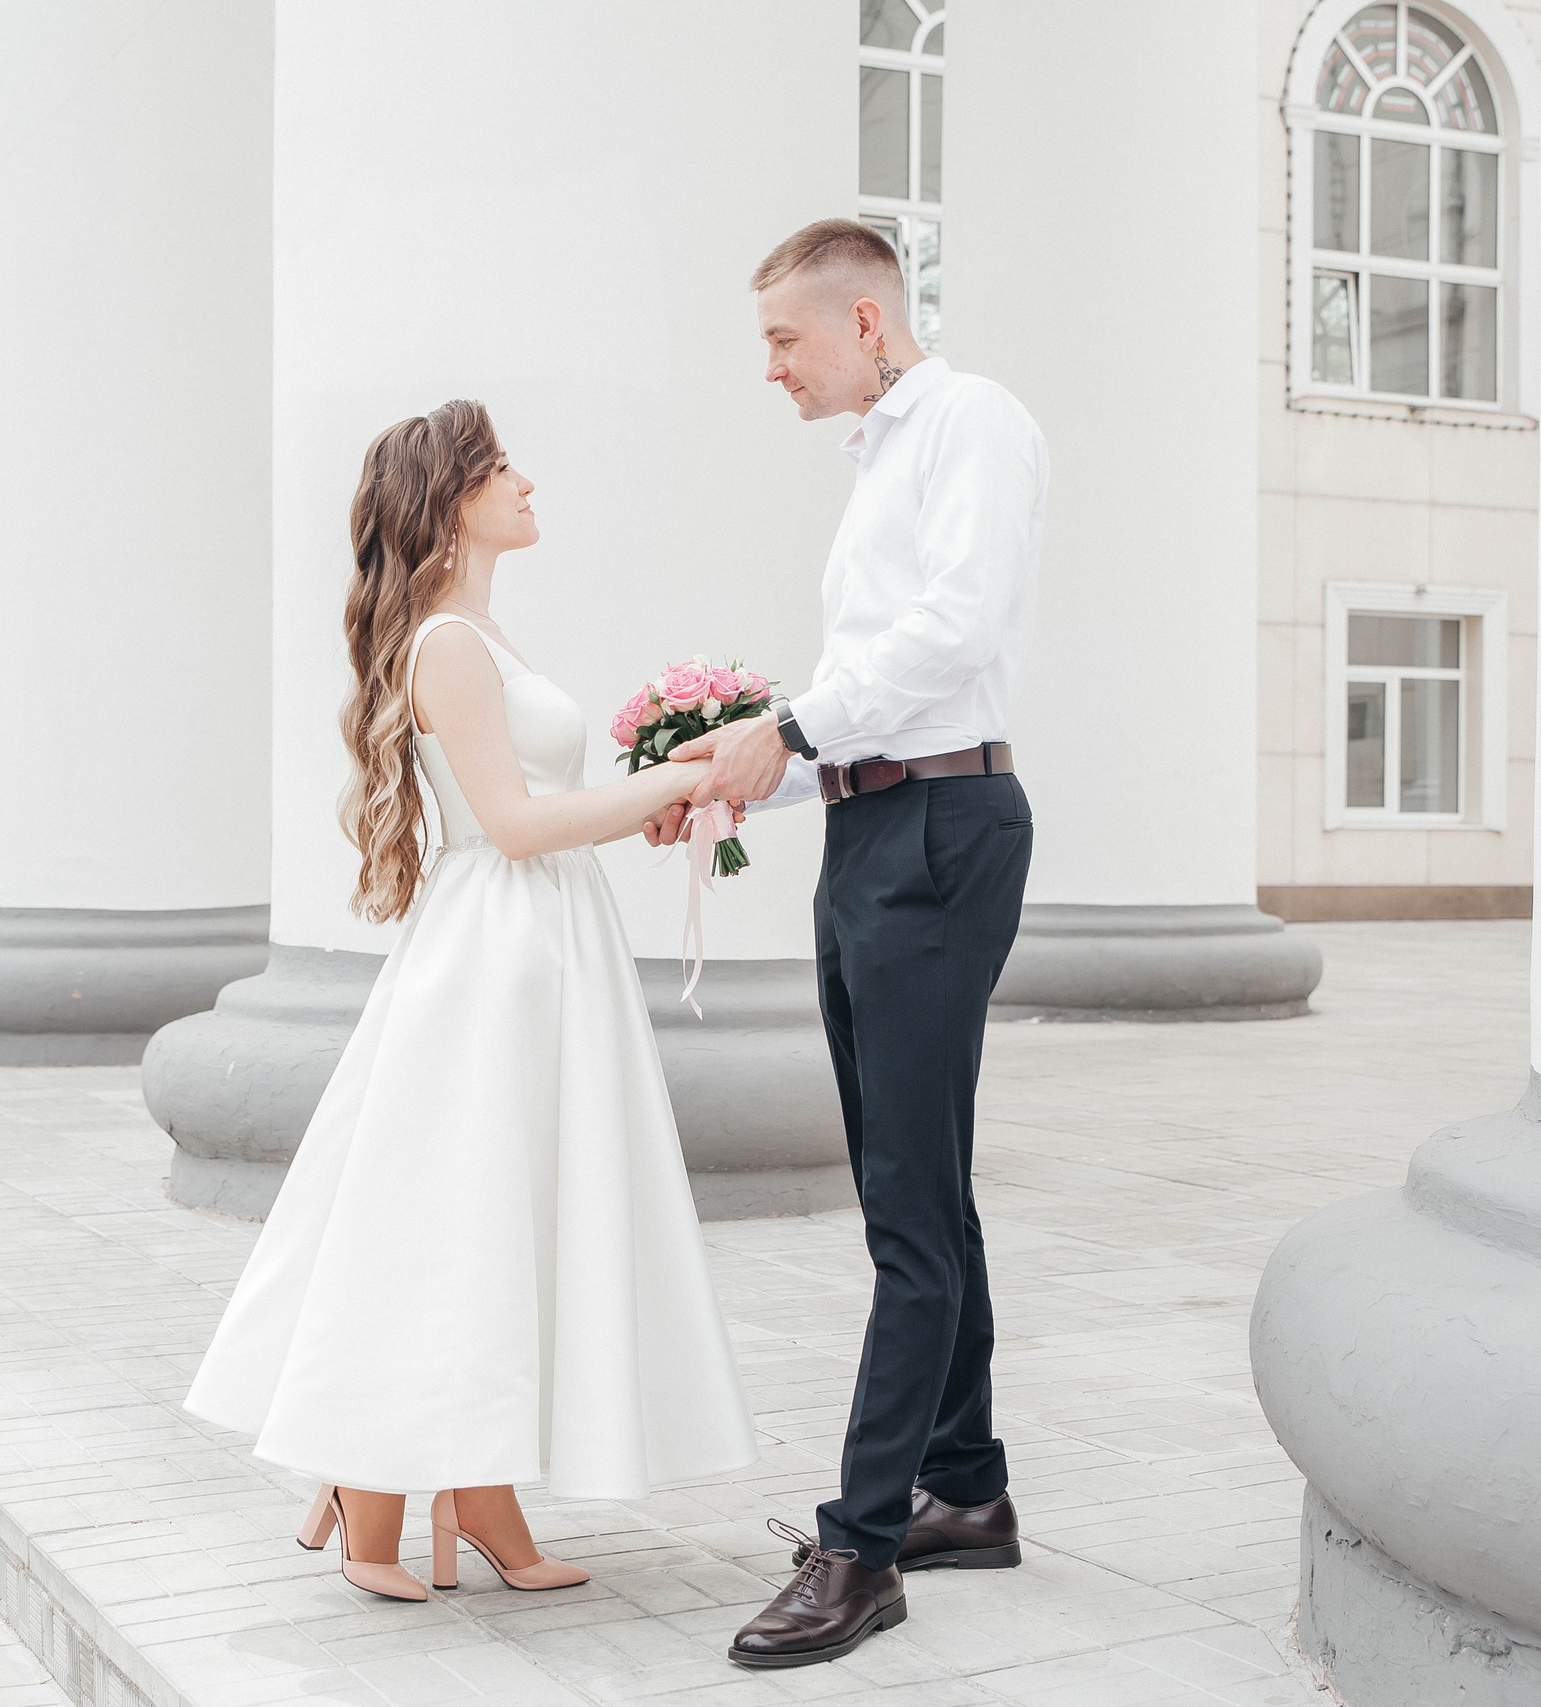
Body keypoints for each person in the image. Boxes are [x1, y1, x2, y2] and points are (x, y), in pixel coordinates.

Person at [185, 401, 759, 1601]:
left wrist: (654, 796)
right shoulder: (448, 641)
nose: (527, 484)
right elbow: (511, 825)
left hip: (542, 936)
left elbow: (540, 811)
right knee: (450, 1212)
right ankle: (372, 1478)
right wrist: (675, 777)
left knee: (505, 1211)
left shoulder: (480, 633)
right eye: (502, 470)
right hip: (497, 951)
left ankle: (473, 1489)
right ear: (450, 502)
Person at [654, 219, 1048, 1668]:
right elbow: (868, 713)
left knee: (903, 1203)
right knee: (917, 1175)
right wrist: (742, 777)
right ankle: (967, 1487)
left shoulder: (970, 420)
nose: (771, 368)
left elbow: (955, 631)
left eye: (783, 339)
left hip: (942, 830)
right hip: (876, 825)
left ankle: (863, 1545)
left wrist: (790, 728)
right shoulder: (880, 457)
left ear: (866, 321)